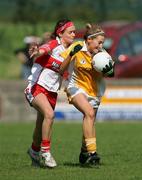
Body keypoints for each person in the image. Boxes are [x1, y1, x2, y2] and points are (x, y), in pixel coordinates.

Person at [24, 19, 79, 168]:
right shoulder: (56, 44)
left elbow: (62, 70)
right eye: (70, 32)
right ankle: (46, 152)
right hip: (36, 87)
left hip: (51, 92)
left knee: (40, 124)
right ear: (60, 33)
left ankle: (34, 151)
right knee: (49, 115)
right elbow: (45, 48)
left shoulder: (70, 51)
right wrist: (38, 51)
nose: (74, 34)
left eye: (74, 31)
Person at [59, 23, 114, 166]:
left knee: (89, 121)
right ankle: (93, 152)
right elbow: (60, 69)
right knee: (89, 113)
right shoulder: (77, 48)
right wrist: (70, 54)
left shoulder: (103, 55)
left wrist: (110, 72)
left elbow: (109, 73)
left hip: (95, 92)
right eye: (99, 42)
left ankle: (84, 152)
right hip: (75, 87)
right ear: (89, 39)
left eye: (103, 43)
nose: (101, 45)